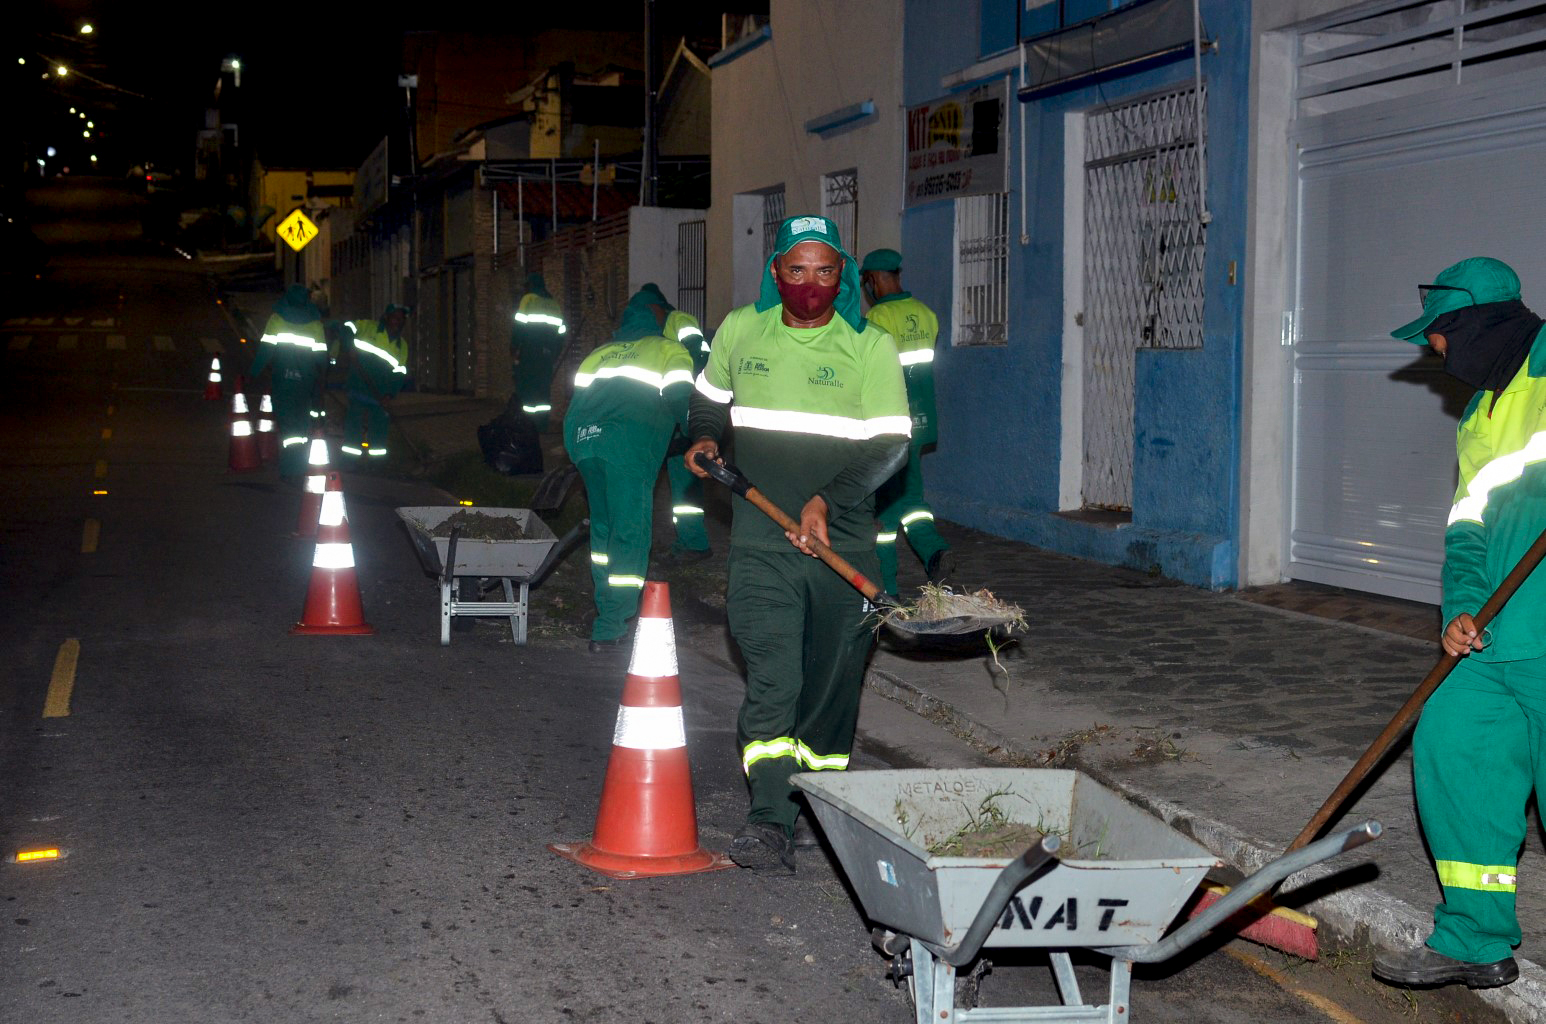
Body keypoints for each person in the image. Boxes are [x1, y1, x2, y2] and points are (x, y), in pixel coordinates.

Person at [685, 215, 910, 873]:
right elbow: (708, 399)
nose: (810, 284)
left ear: (841, 276)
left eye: (825, 271)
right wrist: (703, 437)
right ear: (776, 272)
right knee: (775, 679)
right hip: (761, 544)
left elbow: (891, 445)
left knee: (831, 691)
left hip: (844, 551)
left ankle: (816, 802)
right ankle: (770, 817)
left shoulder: (869, 347)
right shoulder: (739, 330)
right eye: (797, 269)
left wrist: (827, 500)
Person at [1374, 256, 1546, 991]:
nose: (1435, 355)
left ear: (1477, 325)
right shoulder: (1480, 415)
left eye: (1439, 339)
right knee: (1450, 738)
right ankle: (1475, 937)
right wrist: (1461, 613)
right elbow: (1468, 532)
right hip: (1497, 638)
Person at [564, 287, 695, 653]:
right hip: (628, 451)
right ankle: (612, 626)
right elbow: (682, 400)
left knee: (603, 535)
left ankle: (606, 607)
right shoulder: (669, 350)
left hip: (586, 446)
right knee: (630, 534)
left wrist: (578, 451)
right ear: (657, 317)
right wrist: (702, 437)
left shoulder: (598, 353)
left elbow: (574, 405)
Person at [859, 248, 954, 592]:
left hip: (889, 423)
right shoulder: (926, 314)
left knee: (884, 509)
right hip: (922, 421)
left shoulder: (877, 322)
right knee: (911, 496)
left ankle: (887, 589)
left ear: (870, 281)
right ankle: (933, 550)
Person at [638, 282, 715, 563]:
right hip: (674, 410)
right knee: (680, 473)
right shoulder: (657, 329)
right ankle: (690, 540)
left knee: (684, 476)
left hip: (688, 406)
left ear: (658, 306)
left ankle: (694, 543)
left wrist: (689, 402)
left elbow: (700, 356)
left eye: (649, 309)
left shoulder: (677, 320)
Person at [250, 284, 327, 479]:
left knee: (286, 424)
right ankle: (298, 466)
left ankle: (288, 468)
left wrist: (252, 373)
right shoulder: (315, 324)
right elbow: (321, 359)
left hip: (283, 380)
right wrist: (323, 376)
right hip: (305, 382)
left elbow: (265, 351)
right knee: (301, 426)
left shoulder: (277, 319)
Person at [340, 305, 410, 465]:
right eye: (394, 317)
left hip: (380, 396)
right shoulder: (368, 328)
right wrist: (349, 346)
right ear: (386, 317)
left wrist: (390, 395)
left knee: (379, 430)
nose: (397, 322)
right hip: (358, 387)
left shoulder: (402, 345)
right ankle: (350, 462)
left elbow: (400, 374)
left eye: (401, 319)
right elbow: (346, 327)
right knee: (354, 425)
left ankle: (376, 465)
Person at [511, 273, 567, 432]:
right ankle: (541, 425)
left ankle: (526, 425)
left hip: (529, 354)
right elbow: (561, 333)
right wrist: (553, 354)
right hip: (546, 356)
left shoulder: (528, 300)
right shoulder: (554, 304)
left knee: (526, 390)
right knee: (543, 392)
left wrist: (514, 348)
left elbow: (519, 328)